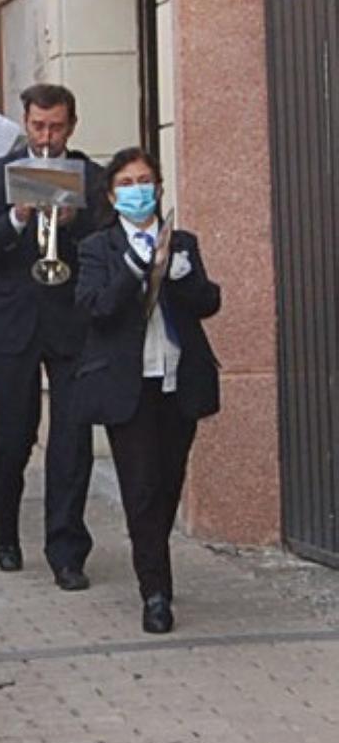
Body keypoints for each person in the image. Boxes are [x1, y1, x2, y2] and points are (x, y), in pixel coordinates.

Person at [74, 148, 221, 634]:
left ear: (157, 187)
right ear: (113, 194)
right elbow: (95, 307)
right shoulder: (98, 248)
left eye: (145, 180)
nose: (138, 189)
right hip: (128, 384)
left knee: (167, 483)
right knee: (140, 488)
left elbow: (208, 302)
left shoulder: (182, 241)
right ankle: (154, 591)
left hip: (177, 378)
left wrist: (180, 278)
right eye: (127, 182)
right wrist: (136, 268)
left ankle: (153, 561)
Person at [0, 83, 105, 588]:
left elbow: (104, 241)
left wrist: (72, 223)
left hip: (71, 322)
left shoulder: (90, 174)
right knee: (11, 438)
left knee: (72, 440)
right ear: (25, 123)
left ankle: (67, 550)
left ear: (71, 126)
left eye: (56, 127)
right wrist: (16, 215)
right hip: (13, 321)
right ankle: (5, 532)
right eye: (37, 126)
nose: (46, 137)